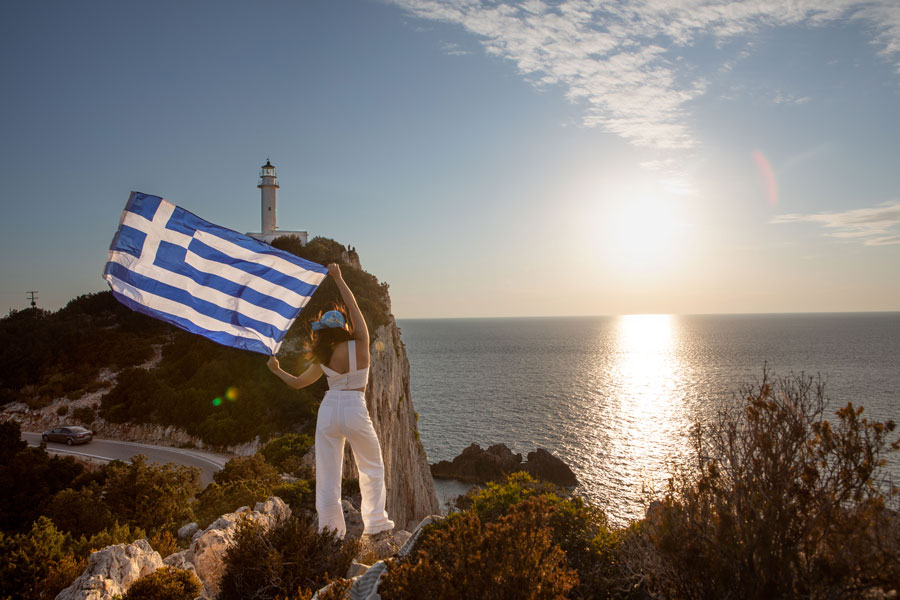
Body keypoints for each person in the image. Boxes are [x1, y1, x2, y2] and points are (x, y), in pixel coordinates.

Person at [266, 263, 394, 540]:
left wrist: (277, 370)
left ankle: (330, 532)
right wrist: (338, 277)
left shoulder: (323, 355)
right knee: (371, 467)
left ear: (323, 331)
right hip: (354, 407)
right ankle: (375, 523)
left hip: (328, 409)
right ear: (345, 327)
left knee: (327, 477)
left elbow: (299, 383)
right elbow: (353, 304)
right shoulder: (360, 342)